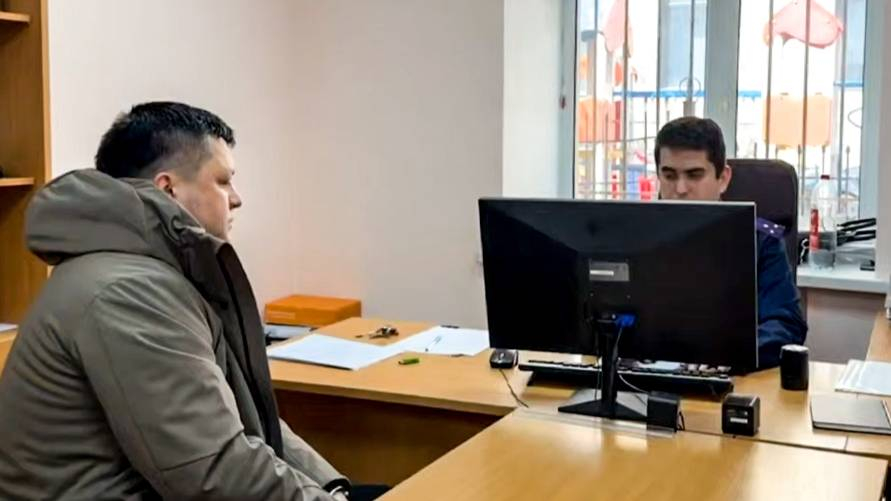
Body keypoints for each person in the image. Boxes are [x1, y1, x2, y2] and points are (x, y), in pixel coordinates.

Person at [0, 102, 352, 500]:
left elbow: (247, 418)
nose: (236, 199)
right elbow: (212, 471)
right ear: (168, 189)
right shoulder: (130, 292)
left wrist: (330, 486)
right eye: (223, 181)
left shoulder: (151, 273)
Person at [654, 116, 808, 368]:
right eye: (669, 175)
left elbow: (785, 325)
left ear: (723, 178)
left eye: (694, 175)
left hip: (728, 377)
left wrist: (725, 354)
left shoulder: (761, 240)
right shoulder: (639, 236)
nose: (680, 189)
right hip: (649, 375)